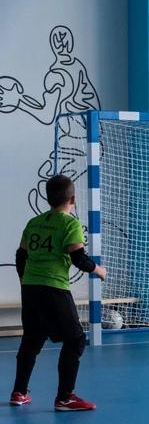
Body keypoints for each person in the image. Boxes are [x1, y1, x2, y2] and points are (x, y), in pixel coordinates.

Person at [10, 174, 106, 411]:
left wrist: (25, 280)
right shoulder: (70, 224)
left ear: (48, 198)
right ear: (72, 199)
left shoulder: (34, 222)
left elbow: (21, 255)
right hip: (54, 288)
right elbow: (79, 258)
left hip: (30, 288)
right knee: (76, 339)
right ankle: (65, 398)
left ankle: (19, 392)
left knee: (32, 339)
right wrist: (99, 270)